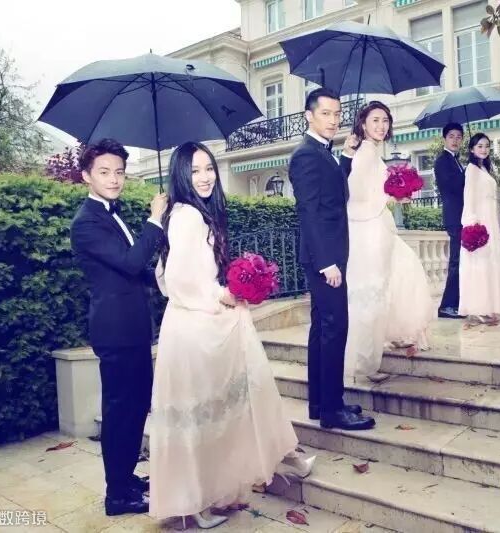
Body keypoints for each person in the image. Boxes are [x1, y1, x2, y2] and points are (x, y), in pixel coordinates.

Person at [149, 142, 312, 528]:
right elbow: (177, 280)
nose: (205, 177)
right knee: (208, 412)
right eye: (195, 171)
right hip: (194, 329)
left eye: (209, 168)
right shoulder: (188, 215)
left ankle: (263, 465)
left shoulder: (187, 213)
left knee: (219, 408)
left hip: (192, 324)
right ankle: (198, 499)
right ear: (181, 175)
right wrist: (223, 294)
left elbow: (165, 275)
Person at [70, 138, 166, 516]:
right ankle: (117, 496)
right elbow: (128, 263)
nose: (114, 179)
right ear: (86, 176)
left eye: (120, 172)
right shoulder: (86, 222)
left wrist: (164, 276)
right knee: (120, 412)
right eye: (105, 172)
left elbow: (135, 269)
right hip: (115, 331)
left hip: (134, 328)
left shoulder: (112, 214)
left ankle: (126, 479)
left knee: (136, 405)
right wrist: (155, 220)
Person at [288, 88, 375, 431]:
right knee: (335, 328)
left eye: (337, 114)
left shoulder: (321, 152)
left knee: (322, 329)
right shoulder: (306, 155)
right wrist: (326, 263)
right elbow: (308, 212)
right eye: (325, 113)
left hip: (327, 255)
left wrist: (347, 156)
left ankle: (320, 403)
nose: (333, 120)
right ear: (309, 116)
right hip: (325, 259)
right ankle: (332, 410)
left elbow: (333, 191)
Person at [344, 101, 434, 382]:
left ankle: (384, 339)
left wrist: (396, 193)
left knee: (392, 281)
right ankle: (365, 364)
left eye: (385, 120)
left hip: (378, 225)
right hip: (368, 230)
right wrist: (390, 194)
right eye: (375, 120)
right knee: (372, 293)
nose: (381, 126)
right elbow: (356, 195)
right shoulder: (364, 153)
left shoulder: (372, 151)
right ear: (363, 124)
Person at [458, 133, 500, 324]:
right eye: (479, 146)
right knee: (479, 263)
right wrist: (472, 224)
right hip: (479, 221)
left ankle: (488, 305)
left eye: (487, 146)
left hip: (491, 220)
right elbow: (469, 197)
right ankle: (478, 307)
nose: (484, 149)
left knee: (489, 263)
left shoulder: (485, 169)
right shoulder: (471, 170)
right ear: (472, 149)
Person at [434, 123, 466, 319]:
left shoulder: (457, 161)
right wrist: (468, 175)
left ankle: (458, 303)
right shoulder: (442, 161)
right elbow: (451, 186)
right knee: (455, 261)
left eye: (459, 137)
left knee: (461, 261)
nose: (455, 140)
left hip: (463, 215)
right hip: (454, 216)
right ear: (445, 139)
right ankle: (446, 306)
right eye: (451, 136)